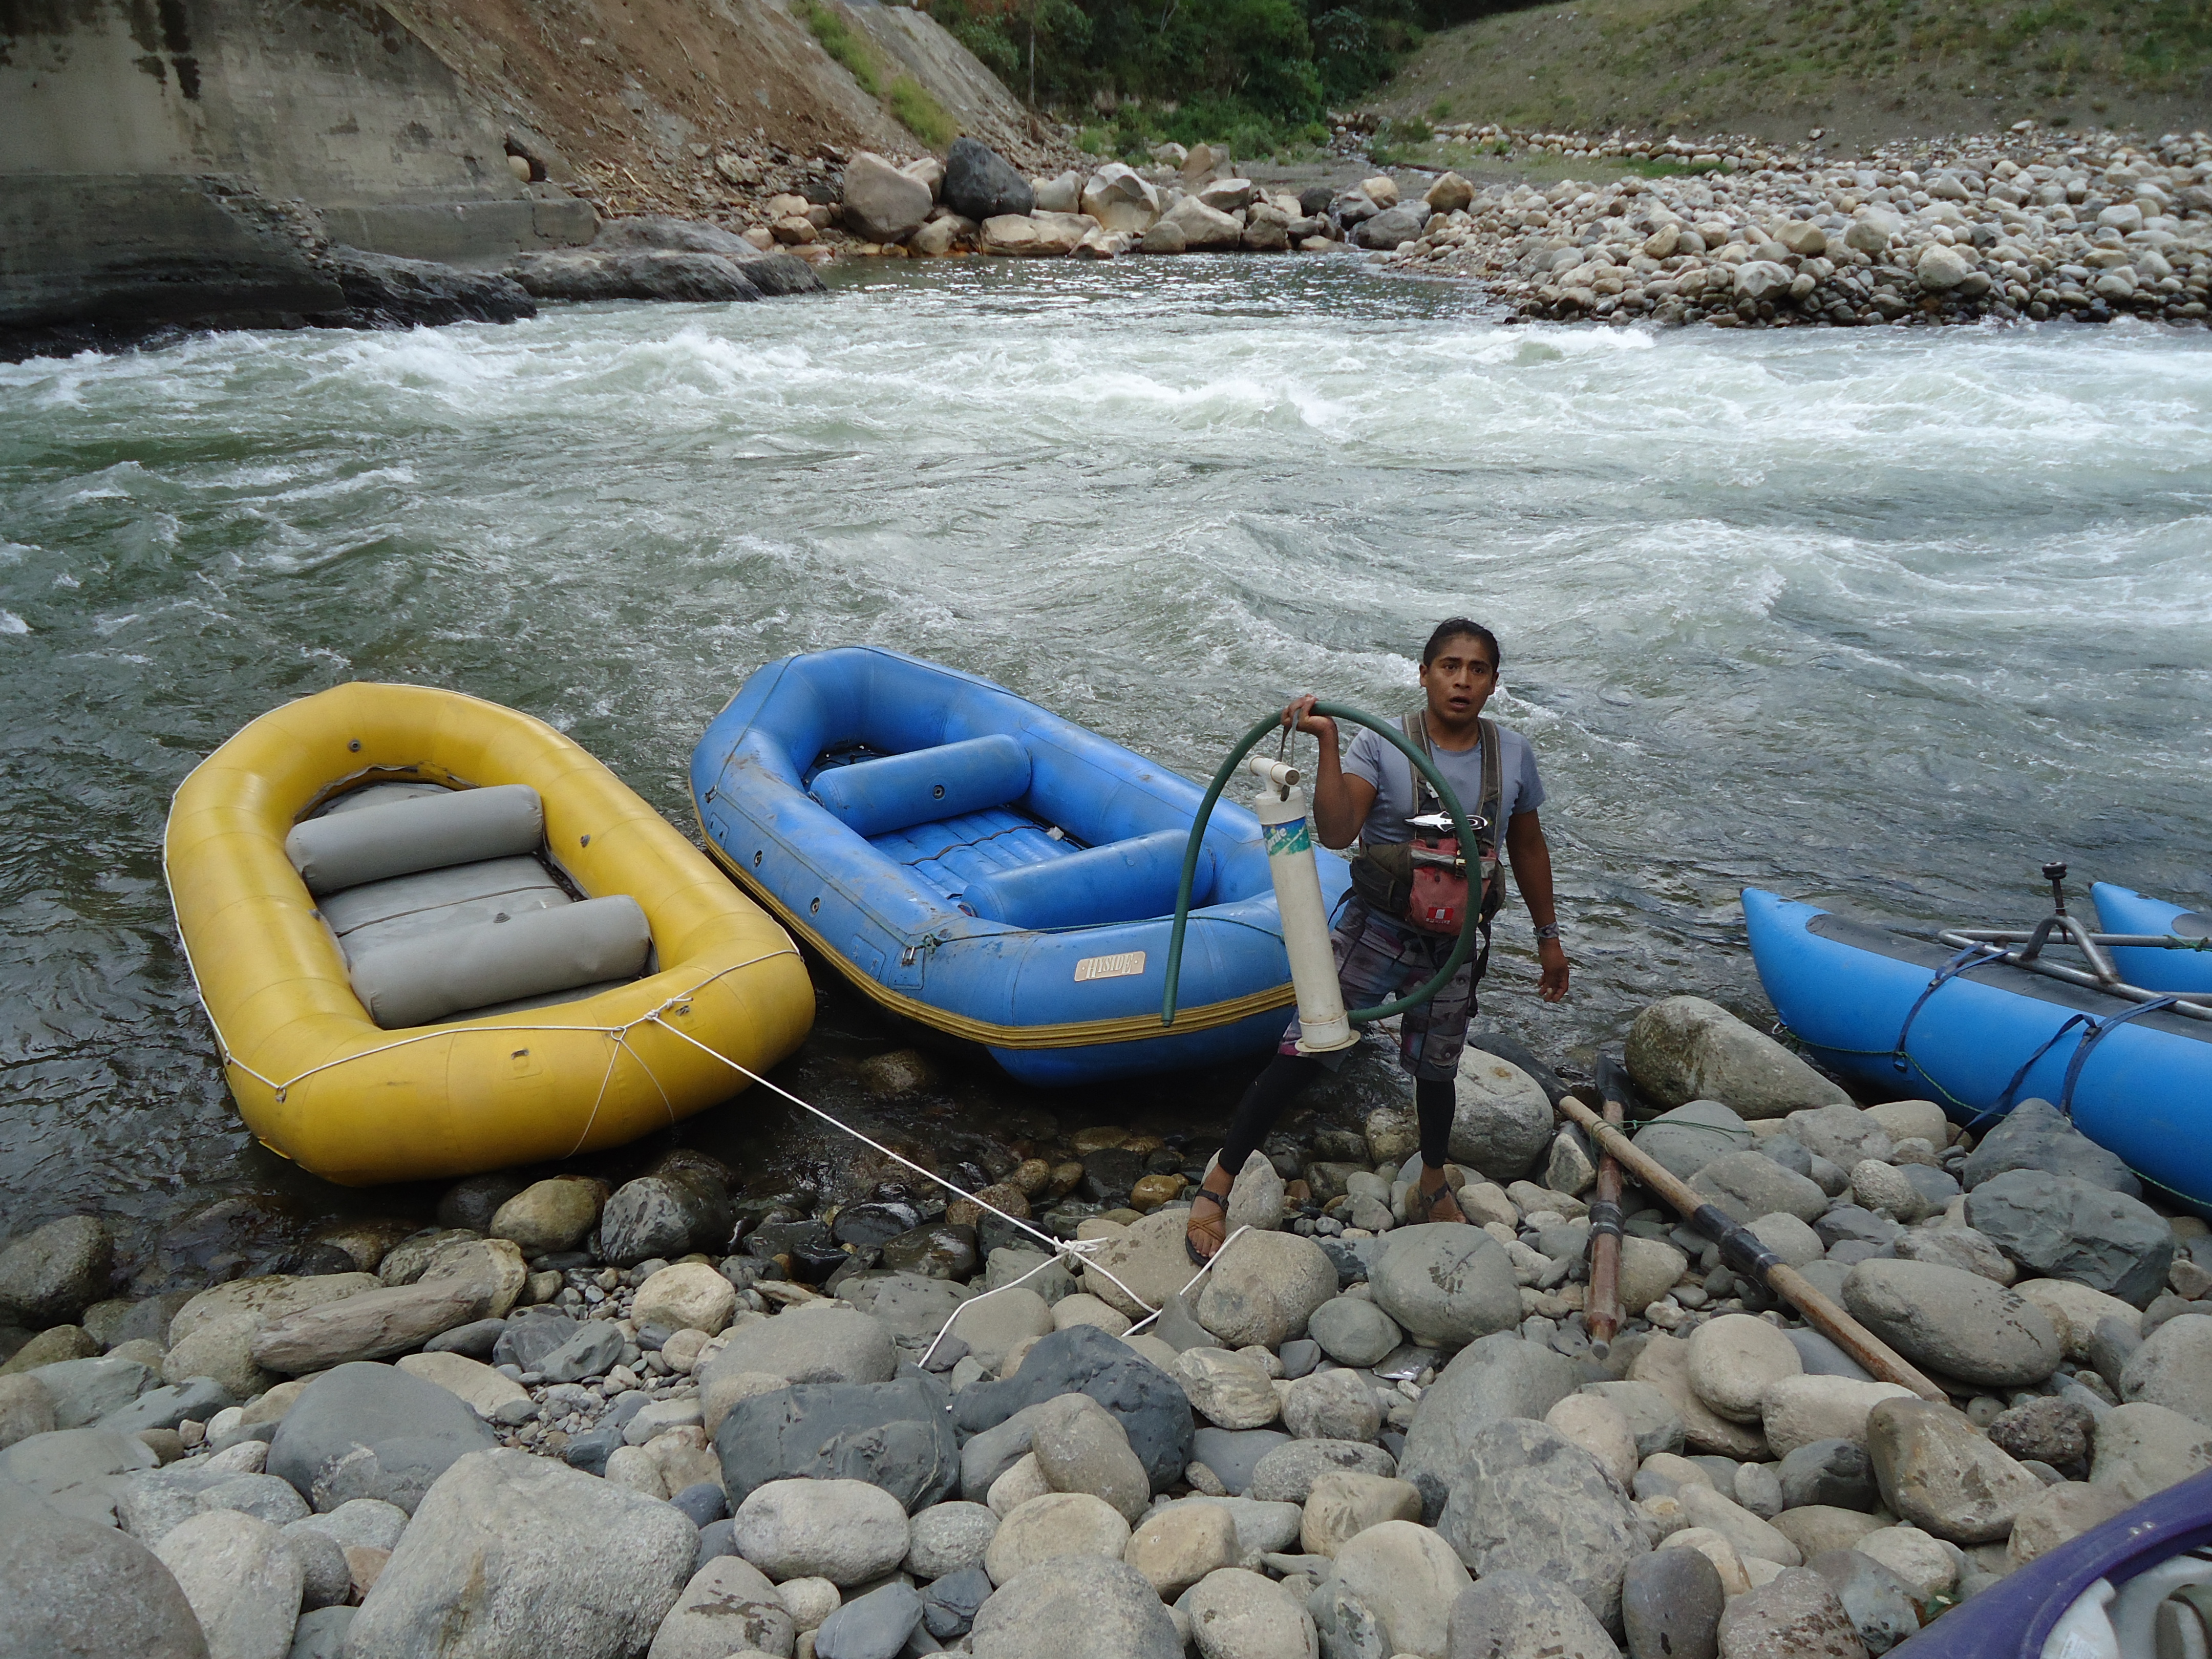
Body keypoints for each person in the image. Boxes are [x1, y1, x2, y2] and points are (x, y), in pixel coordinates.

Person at [1186, 618, 1569, 1263]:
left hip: (1452, 946)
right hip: (1376, 930)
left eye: (1477, 670)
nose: (1462, 680)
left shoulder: (1514, 755)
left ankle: (1430, 1183)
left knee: (1438, 1072)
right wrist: (1329, 744)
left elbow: (1528, 847)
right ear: (1424, 674)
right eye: (1449, 666)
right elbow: (1337, 833)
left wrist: (1548, 938)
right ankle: (1218, 1184)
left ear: (1495, 684)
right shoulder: (1384, 745)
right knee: (1302, 1051)